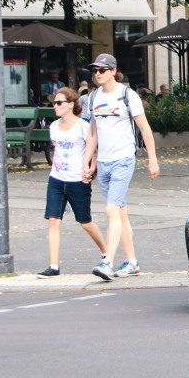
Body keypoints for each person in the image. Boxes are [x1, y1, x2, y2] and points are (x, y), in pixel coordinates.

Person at [83, 53, 159, 280]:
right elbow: (93, 132)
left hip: (124, 159)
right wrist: (87, 161)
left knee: (111, 210)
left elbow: (145, 129)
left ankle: (107, 261)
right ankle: (132, 262)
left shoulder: (128, 95)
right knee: (120, 214)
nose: (98, 74)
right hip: (104, 161)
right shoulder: (93, 97)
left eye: (103, 70)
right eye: (95, 70)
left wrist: (152, 160)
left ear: (114, 71)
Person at [38, 87, 108, 278]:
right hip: (56, 179)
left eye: (59, 103)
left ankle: (106, 253)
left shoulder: (83, 126)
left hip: (77, 180)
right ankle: (53, 266)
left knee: (85, 222)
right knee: (53, 220)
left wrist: (90, 169)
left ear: (71, 104)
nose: (55, 106)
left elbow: (93, 150)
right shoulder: (53, 126)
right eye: (54, 103)